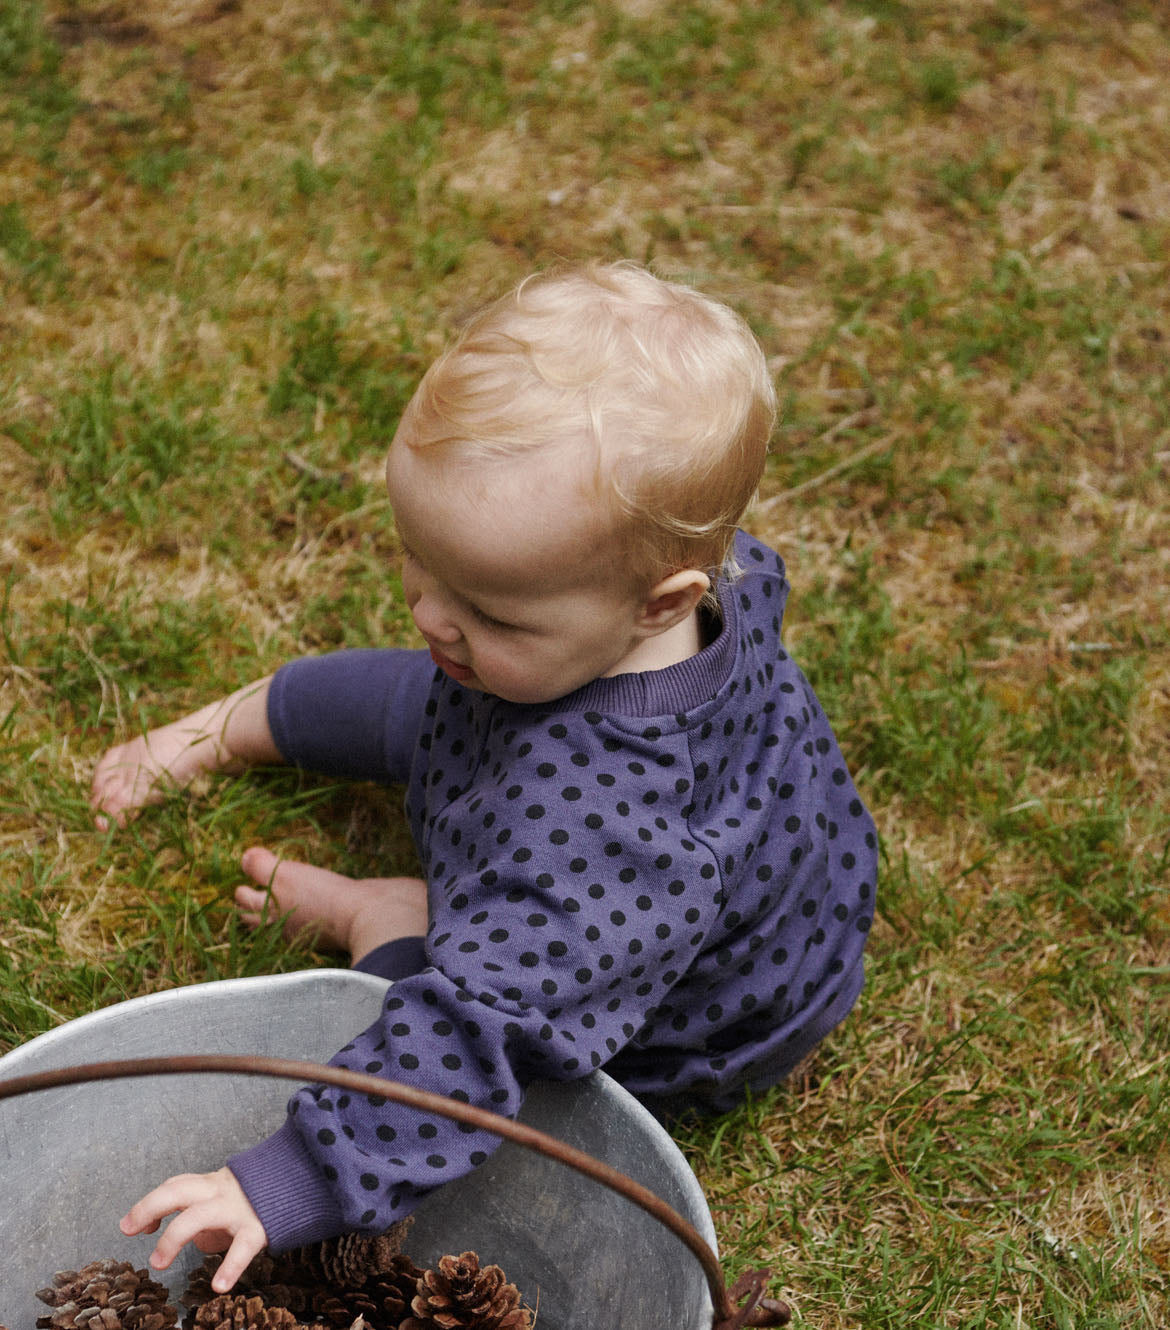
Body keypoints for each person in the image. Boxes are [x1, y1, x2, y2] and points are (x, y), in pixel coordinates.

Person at [92, 263, 878, 1292]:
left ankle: (391, 923)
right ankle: (236, 728)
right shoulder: (670, 596)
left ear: (656, 600)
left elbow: (474, 1045)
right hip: (708, 886)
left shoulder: (605, 844)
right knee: (433, 697)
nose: (430, 616)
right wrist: (486, 636)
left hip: (673, 1023)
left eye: (494, 608)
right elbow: (426, 692)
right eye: (419, 563)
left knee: (422, 1017)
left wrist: (279, 1182)